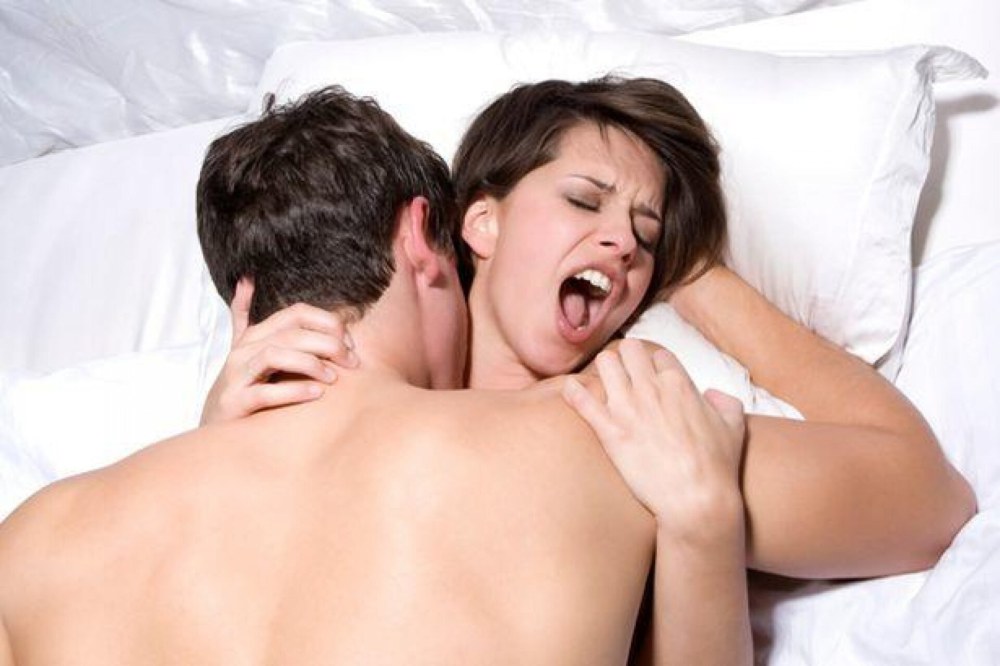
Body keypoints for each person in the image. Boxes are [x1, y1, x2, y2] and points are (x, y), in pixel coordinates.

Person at [0, 86, 752, 665]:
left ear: (249, 298)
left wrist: (212, 450)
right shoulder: (595, 428)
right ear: (425, 235)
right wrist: (708, 523)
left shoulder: (36, 539)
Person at [204, 77, 976, 580]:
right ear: (480, 222)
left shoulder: (625, 430)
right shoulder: (311, 407)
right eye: (584, 200)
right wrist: (216, 451)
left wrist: (697, 276)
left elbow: (928, 501)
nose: (625, 242)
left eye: (647, 233)